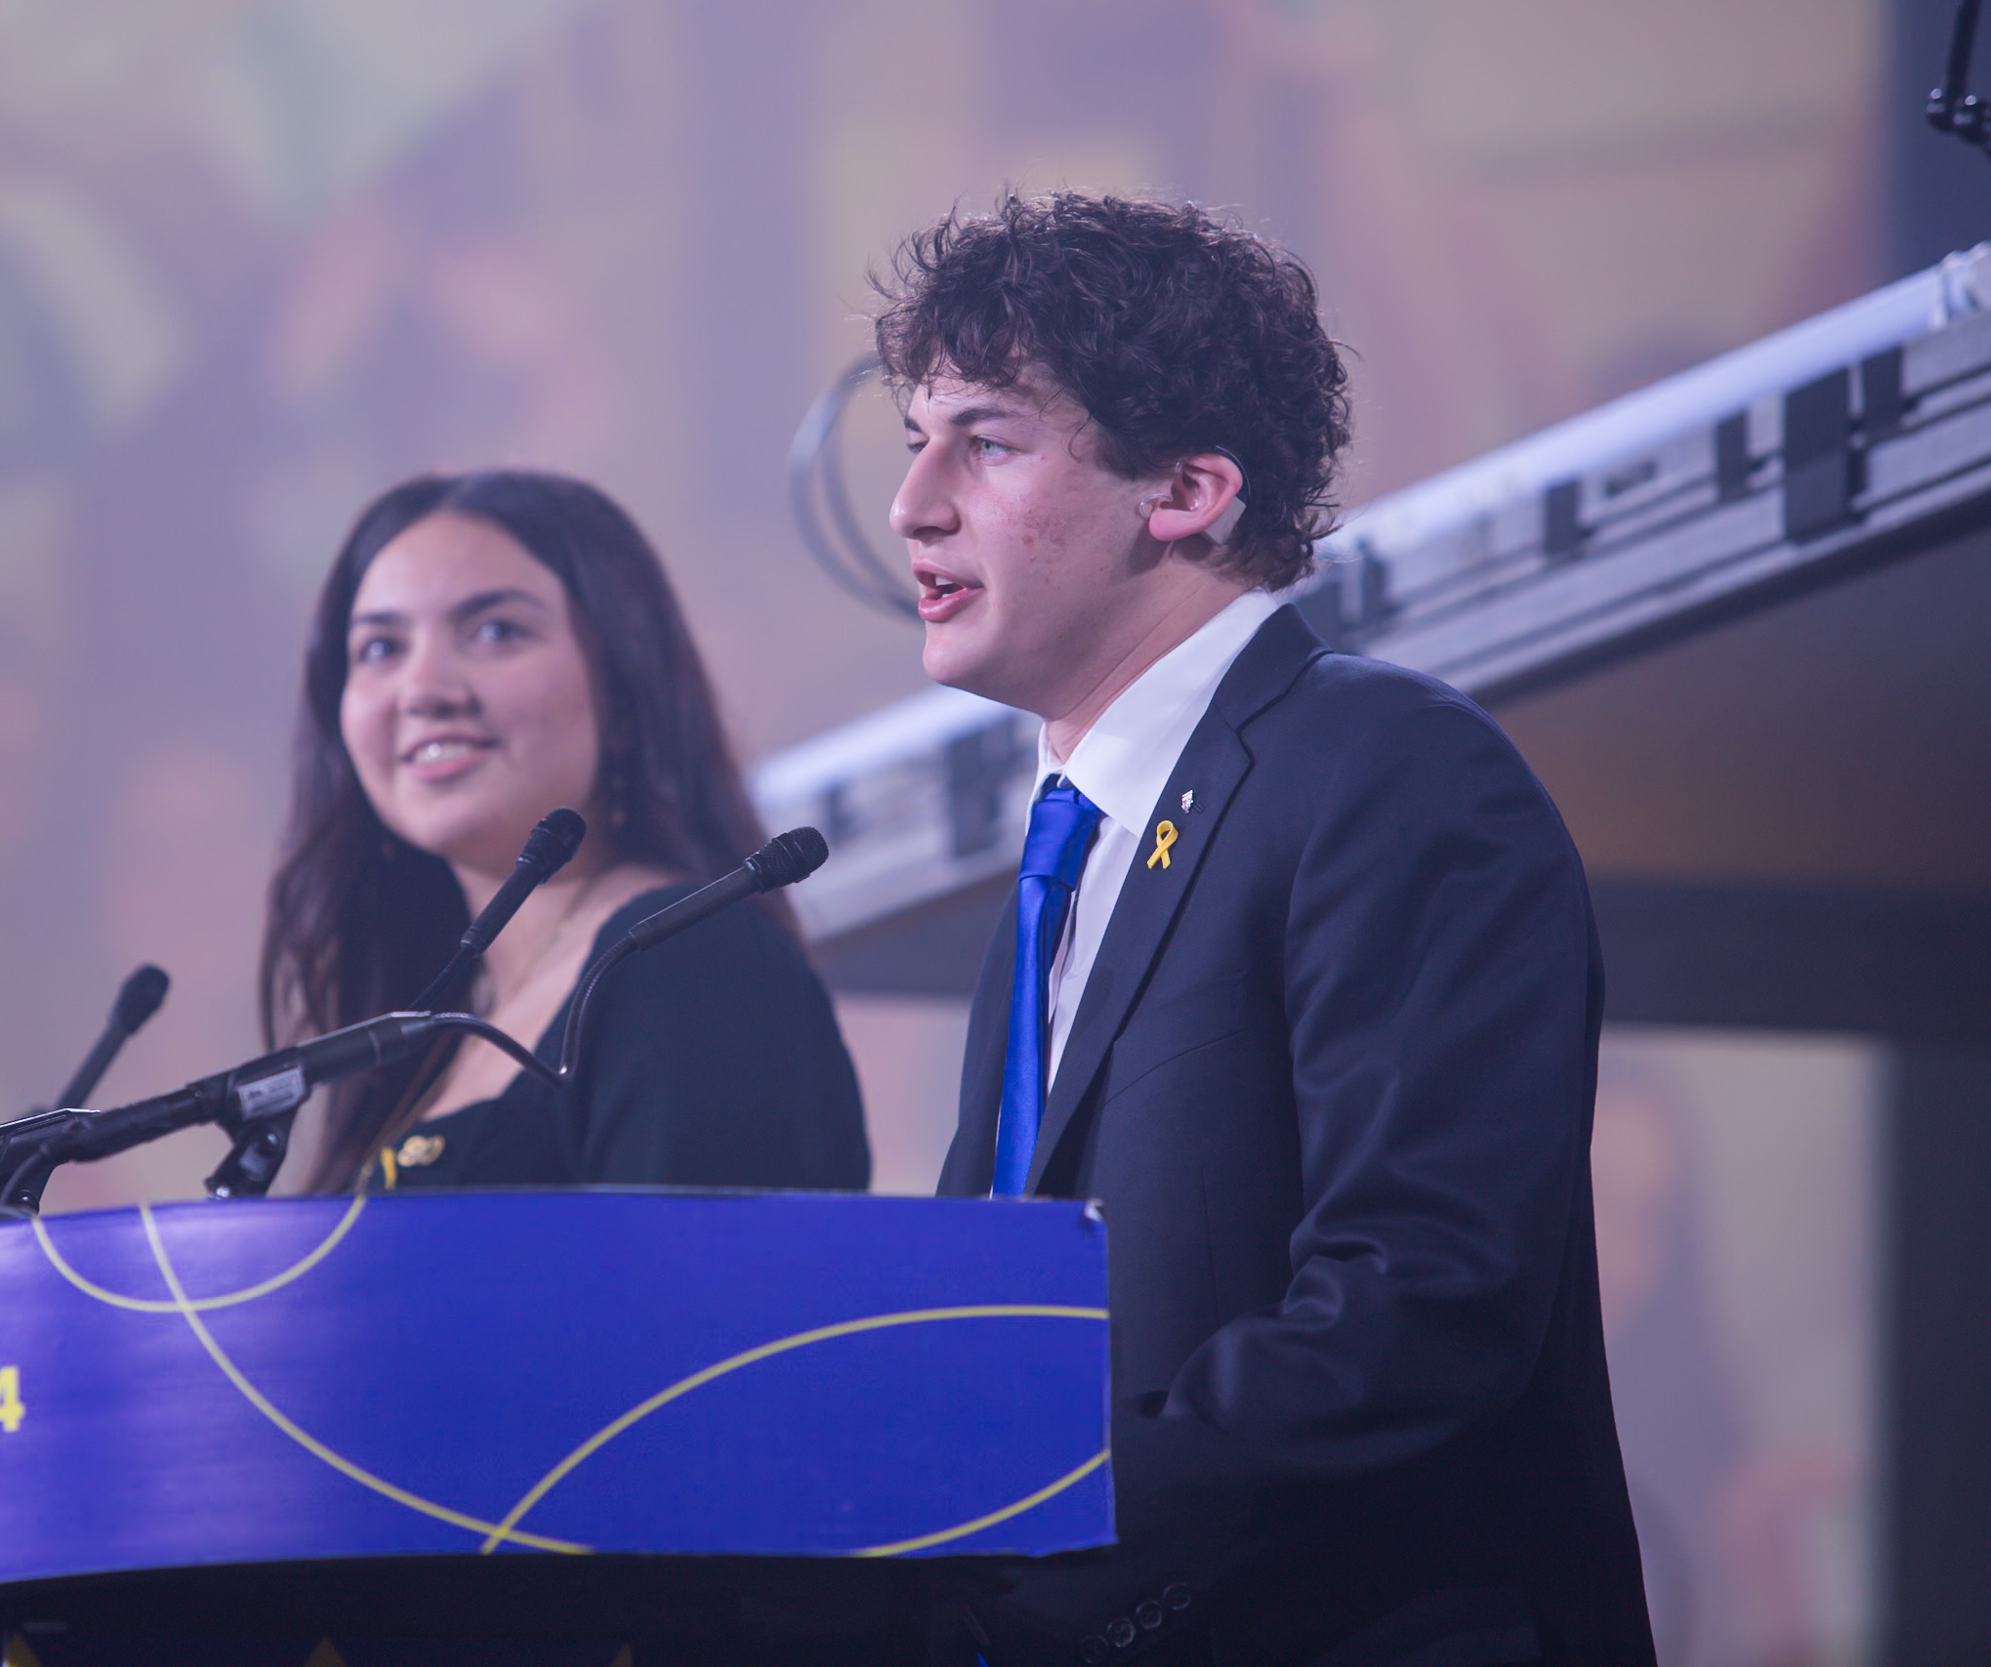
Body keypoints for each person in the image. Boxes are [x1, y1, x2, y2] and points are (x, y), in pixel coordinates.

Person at [880, 195, 1653, 1665]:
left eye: (984, 439)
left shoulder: (1392, 769)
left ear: (1183, 489)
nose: (915, 502)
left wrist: (1035, 1554)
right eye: (912, 440)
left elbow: (1418, 1300)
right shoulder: (1059, 864)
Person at [261, 469, 870, 1195]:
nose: (423, 690)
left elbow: (707, 1301)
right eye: (381, 649)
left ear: (622, 691)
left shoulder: (678, 957)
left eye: (495, 631)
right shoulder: (439, 1022)